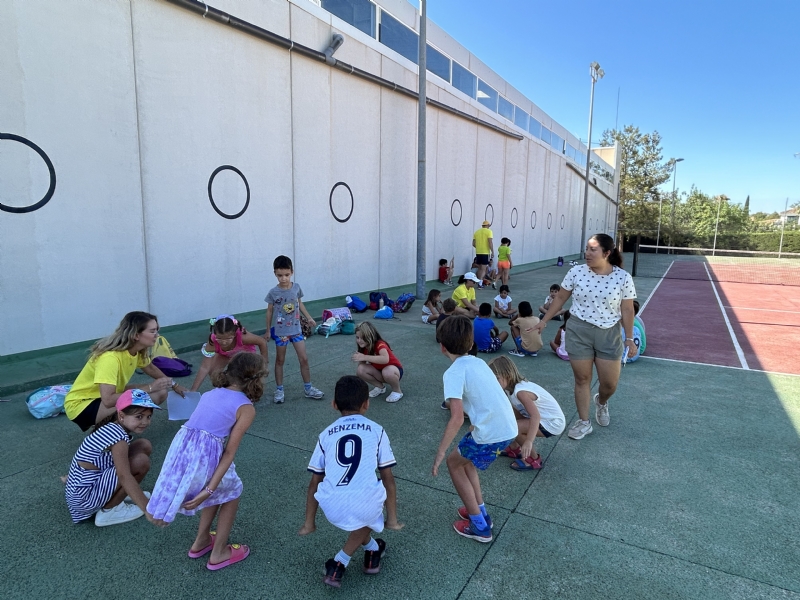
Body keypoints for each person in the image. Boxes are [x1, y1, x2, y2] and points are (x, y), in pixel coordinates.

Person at [147, 352, 266, 571]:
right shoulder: (246, 408)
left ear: (229, 372)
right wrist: (208, 490)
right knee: (233, 491)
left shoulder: (211, 394)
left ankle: (201, 540)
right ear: (257, 379)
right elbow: (229, 452)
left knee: (222, 489)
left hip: (185, 449)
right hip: (205, 455)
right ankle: (219, 553)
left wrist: (209, 489)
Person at [299, 376, 402, 588]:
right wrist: (391, 518)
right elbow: (388, 479)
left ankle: (373, 550)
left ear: (334, 404)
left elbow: (314, 482)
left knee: (360, 511)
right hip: (365, 505)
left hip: (330, 506)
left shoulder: (325, 434)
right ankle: (339, 562)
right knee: (370, 510)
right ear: (366, 404)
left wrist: (309, 522)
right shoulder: (376, 429)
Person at [534, 233, 637, 440]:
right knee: (582, 379)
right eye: (587, 249)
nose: (587, 253)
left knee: (609, 384)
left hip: (609, 333)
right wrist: (544, 320)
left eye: (593, 249)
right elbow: (561, 297)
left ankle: (602, 401)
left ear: (607, 253)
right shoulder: (576, 272)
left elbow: (627, 309)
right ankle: (584, 421)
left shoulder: (622, 277)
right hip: (578, 330)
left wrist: (628, 337)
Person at [432, 316, 517, 543]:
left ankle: (480, 526)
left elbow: (457, 417)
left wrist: (440, 453)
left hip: (491, 433)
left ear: (442, 347)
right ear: (471, 345)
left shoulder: (453, 373)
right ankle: (481, 514)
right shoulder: (479, 363)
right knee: (465, 461)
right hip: (508, 427)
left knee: (453, 462)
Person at [64, 311, 188, 431]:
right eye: (152, 331)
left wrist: (174, 385)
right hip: (82, 405)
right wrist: (150, 387)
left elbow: (150, 368)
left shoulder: (137, 351)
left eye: (157, 330)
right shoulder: (110, 358)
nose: (157, 335)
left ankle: (111, 428)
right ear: (136, 335)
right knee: (146, 395)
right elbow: (108, 400)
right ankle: (110, 433)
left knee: (160, 392)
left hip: (101, 397)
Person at [65, 389, 159, 526]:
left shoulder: (113, 427)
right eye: (139, 416)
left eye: (148, 416)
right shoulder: (118, 437)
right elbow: (124, 476)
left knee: (143, 445)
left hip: (84, 489)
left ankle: (119, 495)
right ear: (121, 415)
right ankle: (110, 510)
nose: (145, 422)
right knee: (141, 462)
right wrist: (147, 509)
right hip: (84, 500)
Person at [488, 356, 565, 471]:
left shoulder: (521, 392)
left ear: (507, 376)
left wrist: (529, 441)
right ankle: (515, 448)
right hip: (543, 419)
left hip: (552, 423)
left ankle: (533, 459)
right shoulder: (509, 388)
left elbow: (535, 416)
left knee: (514, 427)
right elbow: (513, 411)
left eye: (496, 379)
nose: (493, 383)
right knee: (509, 420)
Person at [265, 255, 324, 403]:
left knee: (304, 359)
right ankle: (279, 390)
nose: (283, 278)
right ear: (275, 274)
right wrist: (267, 330)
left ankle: (308, 388)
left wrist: (309, 317)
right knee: (280, 360)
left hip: (297, 330)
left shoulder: (296, 288)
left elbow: (299, 304)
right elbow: (269, 311)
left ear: (292, 272)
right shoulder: (273, 292)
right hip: (280, 333)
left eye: (286, 275)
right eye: (279, 275)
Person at [190, 314, 268, 392]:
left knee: (245, 375)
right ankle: (226, 390)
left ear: (234, 334)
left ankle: (248, 392)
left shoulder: (243, 336)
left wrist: (263, 364)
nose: (224, 342)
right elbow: (204, 367)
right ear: (215, 334)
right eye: (219, 338)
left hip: (244, 355)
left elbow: (262, 342)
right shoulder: (212, 341)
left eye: (228, 338)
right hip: (225, 354)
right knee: (214, 374)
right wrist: (193, 390)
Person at [351, 322, 404, 403]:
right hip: (379, 371)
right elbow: (362, 365)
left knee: (387, 371)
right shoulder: (364, 346)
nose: (359, 341)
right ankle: (380, 387)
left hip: (393, 371)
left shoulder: (380, 344)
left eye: (362, 338)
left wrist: (364, 357)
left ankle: (397, 391)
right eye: (357, 337)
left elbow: (385, 359)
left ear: (370, 336)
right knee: (360, 369)